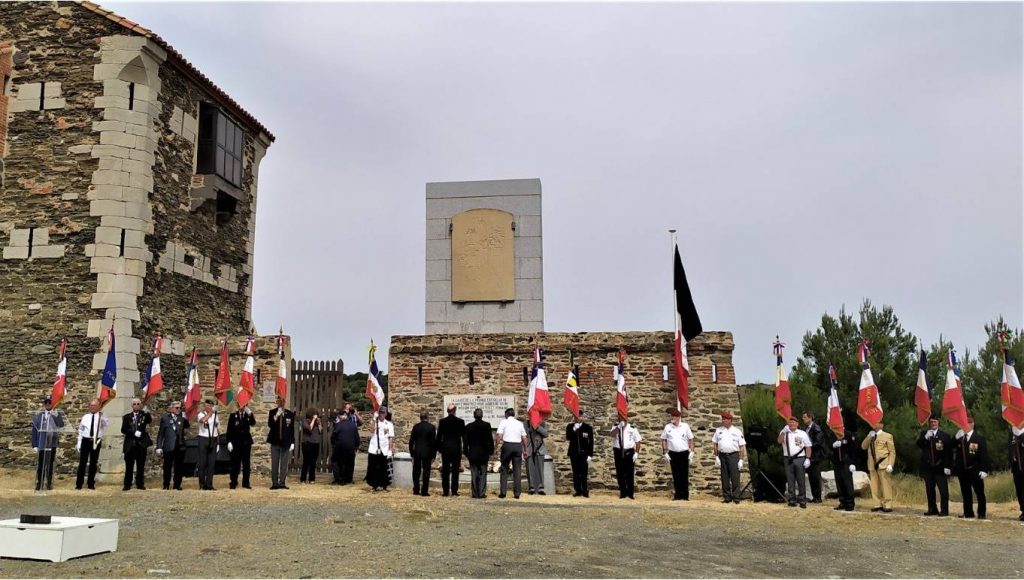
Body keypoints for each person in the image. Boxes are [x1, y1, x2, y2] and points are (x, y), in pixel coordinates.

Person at [953, 417, 990, 519]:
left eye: (966, 424)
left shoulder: (978, 438)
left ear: (972, 425)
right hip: (962, 470)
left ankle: (981, 513)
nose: (963, 426)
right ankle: (968, 512)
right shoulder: (960, 438)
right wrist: (956, 437)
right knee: (966, 493)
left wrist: (984, 470)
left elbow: (984, 455)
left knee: (979, 492)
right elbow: (950, 446)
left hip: (975, 469)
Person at [916, 416, 952, 516]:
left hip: (940, 466)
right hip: (928, 467)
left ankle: (944, 510)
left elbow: (949, 453)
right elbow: (919, 444)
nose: (933, 424)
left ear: (938, 423)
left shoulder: (944, 435)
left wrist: (948, 466)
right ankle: (932, 509)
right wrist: (925, 438)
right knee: (930, 489)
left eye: (935, 422)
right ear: (929, 423)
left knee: (943, 490)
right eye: (931, 422)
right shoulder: (924, 434)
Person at [711, 411, 746, 503]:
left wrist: (741, 460)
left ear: (730, 420)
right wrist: (716, 456)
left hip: (733, 455)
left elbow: (741, 447)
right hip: (722, 455)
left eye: (725, 419)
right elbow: (715, 444)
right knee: (724, 477)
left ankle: (736, 497)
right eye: (722, 419)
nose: (723, 421)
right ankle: (727, 497)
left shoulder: (737, 431)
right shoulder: (719, 430)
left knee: (735, 477)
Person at [31, 395, 64, 491]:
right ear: (44, 404)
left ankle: (49, 482)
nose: (48, 404)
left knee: (50, 464)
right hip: (42, 443)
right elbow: (34, 430)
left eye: (50, 402)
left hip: (51, 443)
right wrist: (35, 444)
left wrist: (56, 415)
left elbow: (61, 424)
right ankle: (39, 483)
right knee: (41, 464)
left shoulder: (56, 414)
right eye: (46, 402)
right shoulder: (39, 416)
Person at [861, 421, 896, 513]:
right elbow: (863, 447)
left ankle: (887, 504)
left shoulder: (887, 436)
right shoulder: (870, 436)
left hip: (883, 463)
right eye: (873, 423)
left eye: (876, 423)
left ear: (881, 425)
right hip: (872, 464)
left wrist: (890, 464)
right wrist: (869, 437)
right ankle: (877, 504)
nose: (874, 425)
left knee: (885, 485)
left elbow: (892, 452)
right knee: (874, 486)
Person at [778, 416, 812, 508]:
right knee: (790, 480)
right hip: (788, 459)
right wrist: (783, 432)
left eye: (793, 422)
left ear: (797, 424)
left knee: (801, 480)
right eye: (790, 422)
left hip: (799, 459)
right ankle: (792, 500)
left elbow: (808, 446)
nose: (792, 424)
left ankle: (802, 500)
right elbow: (779, 441)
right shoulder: (784, 432)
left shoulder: (802, 433)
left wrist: (808, 458)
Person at [661, 408, 694, 501]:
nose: (672, 418)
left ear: (678, 417)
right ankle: (678, 495)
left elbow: (691, 439)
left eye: (674, 416)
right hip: (673, 453)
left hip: (684, 453)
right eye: (671, 416)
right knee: (676, 475)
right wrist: (665, 452)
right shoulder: (668, 427)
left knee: (684, 475)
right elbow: (663, 439)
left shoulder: (685, 426)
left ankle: (685, 495)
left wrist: (692, 451)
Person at [76, 398, 109, 490]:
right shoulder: (85, 417)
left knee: (93, 463)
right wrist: (79, 442)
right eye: (91, 405)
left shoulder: (102, 416)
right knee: (82, 462)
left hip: (95, 441)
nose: (93, 407)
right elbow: (81, 430)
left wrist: (102, 416)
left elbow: (106, 424)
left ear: (99, 406)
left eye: (95, 405)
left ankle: (90, 483)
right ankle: (79, 483)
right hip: (85, 440)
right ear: (89, 406)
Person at [155, 400, 189, 490]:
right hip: (168, 445)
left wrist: (185, 417)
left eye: (180, 408)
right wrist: (159, 446)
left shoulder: (182, 417)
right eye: (177, 408)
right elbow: (161, 434)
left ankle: (177, 485)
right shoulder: (165, 418)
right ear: (171, 408)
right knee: (167, 467)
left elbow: (187, 426)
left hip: (180, 446)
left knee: (179, 467)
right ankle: (166, 484)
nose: (179, 409)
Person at [120, 398, 152, 490]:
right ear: (132, 406)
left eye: (138, 404)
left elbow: (149, 420)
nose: (136, 405)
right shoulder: (127, 417)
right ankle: (127, 484)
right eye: (134, 404)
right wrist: (133, 433)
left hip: (141, 444)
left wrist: (147, 412)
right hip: (130, 444)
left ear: (140, 405)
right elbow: (123, 429)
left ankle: (140, 484)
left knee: (140, 466)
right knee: (129, 466)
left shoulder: (143, 415)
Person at [496, 407, 528, 499]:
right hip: (517, 446)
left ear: (506, 414)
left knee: (504, 469)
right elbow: (524, 437)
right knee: (517, 470)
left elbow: (499, 436)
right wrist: (525, 450)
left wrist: (496, 447)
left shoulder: (504, 422)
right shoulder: (519, 423)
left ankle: (503, 492)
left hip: (507, 445)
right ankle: (517, 493)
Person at [463, 408, 494, 499]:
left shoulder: (469, 426)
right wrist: (490, 451)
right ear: (482, 415)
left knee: (474, 473)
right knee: (483, 473)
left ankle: (475, 493)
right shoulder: (486, 425)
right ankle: (481, 493)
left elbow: (465, 442)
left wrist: (466, 453)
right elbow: (490, 440)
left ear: (474, 415)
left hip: (473, 453)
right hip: (483, 453)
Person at [436, 404, 466, 496]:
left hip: (445, 449)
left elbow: (438, 437)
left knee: (445, 471)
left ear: (447, 411)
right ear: (455, 410)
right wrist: (464, 448)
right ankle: (454, 491)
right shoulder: (460, 422)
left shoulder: (442, 422)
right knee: (455, 471)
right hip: (456, 449)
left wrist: (440, 448)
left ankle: (445, 491)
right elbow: (464, 437)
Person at [610, 415, 642, 500]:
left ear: (626, 418)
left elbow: (638, 441)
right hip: (618, 452)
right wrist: (618, 427)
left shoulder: (632, 428)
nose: (622, 419)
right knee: (620, 472)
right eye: (620, 417)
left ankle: (630, 493)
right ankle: (623, 492)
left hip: (629, 452)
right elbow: (612, 435)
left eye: (623, 417)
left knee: (629, 473)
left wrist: (636, 453)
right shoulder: (615, 426)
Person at [267, 396, 295, 490]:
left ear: (284, 402)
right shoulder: (272, 412)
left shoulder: (290, 414)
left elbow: (291, 429)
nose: (281, 403)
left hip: (285, 442)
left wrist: (292, 442)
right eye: (279, 401)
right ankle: (275, 483)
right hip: (275, 442)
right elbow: (270, 425)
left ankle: (282, 482)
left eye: (283, 401)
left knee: (284, 464)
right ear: (277, 402)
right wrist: (276, 416)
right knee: (275, 463)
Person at [227, 401, 256, 489]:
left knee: (246, 463)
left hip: (246, 442)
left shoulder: (248, 415)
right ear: (238, 405)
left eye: (244, 405)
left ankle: (246, 483)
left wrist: (250, 413)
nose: (242, 407)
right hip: (236, 442)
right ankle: (233, 482)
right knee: (235, 463)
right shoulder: (233, 416)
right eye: (240, 405)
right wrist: (229, 442)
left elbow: (253, 423)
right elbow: (229, 430)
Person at [565, 409, 594, 498]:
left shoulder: (587, 428)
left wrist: (590, 455)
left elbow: (591, 442)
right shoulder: (570, 426)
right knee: (576, 473)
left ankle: (585, 491)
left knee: (584, 473)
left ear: (582, 417)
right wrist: (574, 429)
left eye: (580, 416)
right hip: (574, 453)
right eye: (576, 416)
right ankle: (578, 490)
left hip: (584, 454)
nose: (578, 418)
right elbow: (568, 437)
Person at [366, 406, 394, 491]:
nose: (381, 414)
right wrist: (374, 419)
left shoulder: (389, 424)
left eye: (383, 413)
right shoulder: (374, 422)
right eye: (380, 412)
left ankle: (384, 485)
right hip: (374, 448)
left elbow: (390, 438)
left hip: (384, 448)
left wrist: (390, 450)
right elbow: (371, 430)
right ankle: (374, 485)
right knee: (373, 467)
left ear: (385, 414)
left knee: (384, 468)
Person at [409, 410, 437, 496]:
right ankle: (424, 491)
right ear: (427, 417)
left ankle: (416, 489)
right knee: (426, 471)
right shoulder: (431, 427)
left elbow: (411, 441)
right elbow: (433, 442)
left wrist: (411, 452)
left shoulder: (416, 427)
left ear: (420, 417)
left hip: (417, 451)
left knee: (416, 471)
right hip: (427, 452)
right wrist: (434, 455)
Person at [830, 427, 857, 511]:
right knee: (839, 484)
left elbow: (853, 449)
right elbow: (828, 447)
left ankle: (850, 504)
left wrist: (852, 463)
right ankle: (842, 502)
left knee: (847, 484)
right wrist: (833, 445)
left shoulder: (848, 434)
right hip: (836, 462)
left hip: (846, 463)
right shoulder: (833, 434)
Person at [196, 399, 221, 491]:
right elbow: (202, 421)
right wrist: (210, 413)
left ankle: (209, 484)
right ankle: (202, 484)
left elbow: (217, 429)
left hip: (213, 440)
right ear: (205, 406)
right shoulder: (201, 414)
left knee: (211, 463)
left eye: (212, 406)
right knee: (202, 463)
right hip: (203, 438)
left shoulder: (215, 416)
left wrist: (218, 442)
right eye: (209, 406)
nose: (211, 407)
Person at [331, 409, 360, 485]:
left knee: (336, 462)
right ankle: (349, 479)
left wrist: (333, 445)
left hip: (339, 447)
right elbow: (357, 438)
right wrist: (356, 447)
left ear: (339, 417)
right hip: (350, 448)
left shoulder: (338, 425)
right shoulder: (353, 425)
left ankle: (338, 478)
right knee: (350, 463)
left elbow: (333, 436)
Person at [802, 411, 825, 503]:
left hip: (815, 456)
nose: (803, 419)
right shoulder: (805, 428)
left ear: (810, 418)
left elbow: (818, 442)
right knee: (811, 477)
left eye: (805, 417)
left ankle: (818, 497)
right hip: (809, 456)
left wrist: (808, 445)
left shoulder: (816, 428)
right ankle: (814, 496)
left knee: (815, 476)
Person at [524, 418, 549, 495]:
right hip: (529, 448)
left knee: (540, 469)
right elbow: (524, 435)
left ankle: (540, 488)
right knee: (529, 469)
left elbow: (546, 434)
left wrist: (537, 427)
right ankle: (531, 487)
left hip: (539, 448)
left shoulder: (542, 423)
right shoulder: (525, 423)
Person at [300, 408, 323, 484]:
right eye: (315, 415)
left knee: (313, 462)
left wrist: (319, 423)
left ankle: (312, 479)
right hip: (307, 443)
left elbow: (320, 431)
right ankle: (303, 479)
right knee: (306, 461)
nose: (317, 416)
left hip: (315, 443)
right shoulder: (305, 421)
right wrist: (313, 420)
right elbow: (309, 429)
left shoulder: (317, 422)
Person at [1010, 425, 1024, 521]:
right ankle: (1023, 510)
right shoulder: (1012, 433)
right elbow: (1010, 448)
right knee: (1019, 490)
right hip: (1016, 468)